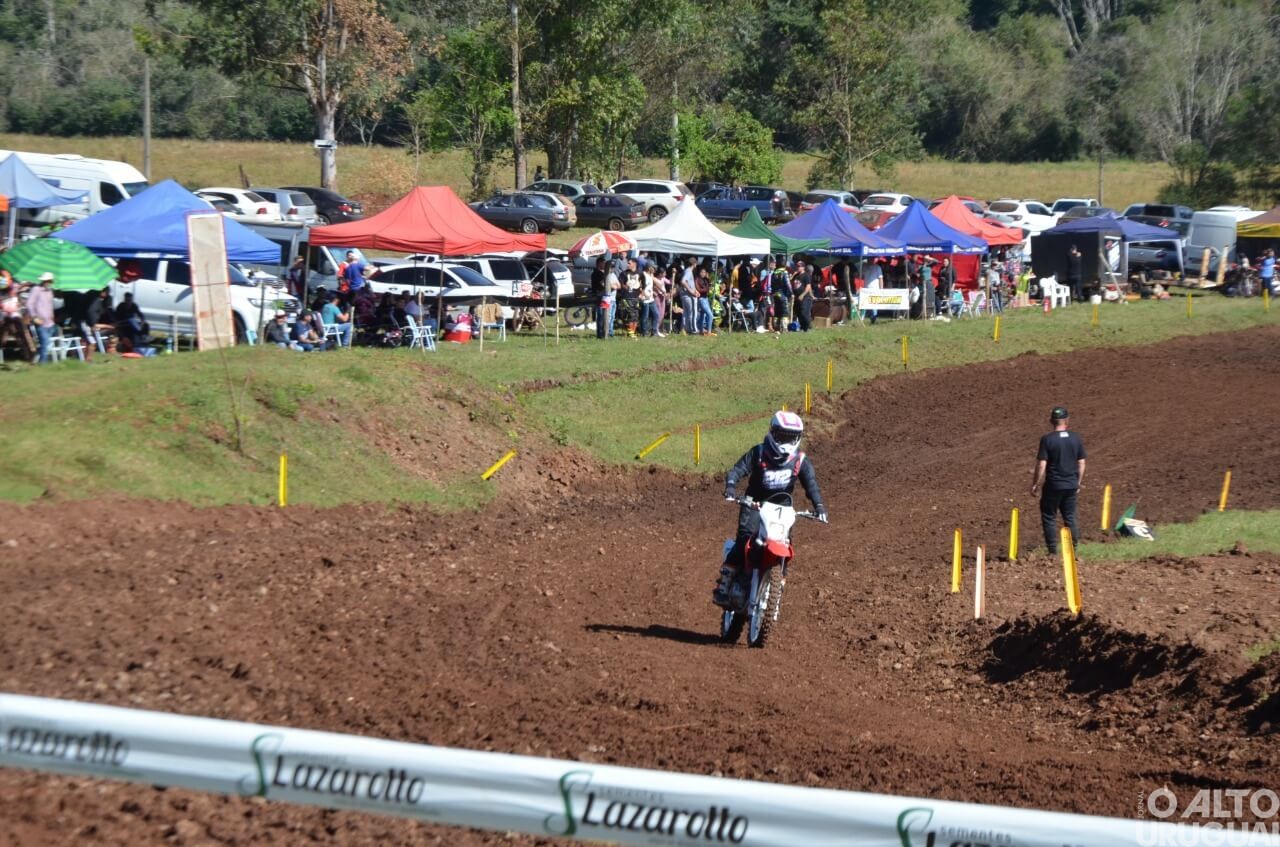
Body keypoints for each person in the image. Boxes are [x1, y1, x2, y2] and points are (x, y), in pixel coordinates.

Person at [714, 411, 828, 606]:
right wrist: (731, 487)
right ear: (773, 433)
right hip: (755, 503)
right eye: (782, 436)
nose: (786, 441)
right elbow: (737, 470)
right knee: (745, 540)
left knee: (785, 543)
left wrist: (819, 506)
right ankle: (724, 584)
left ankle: (778, 583)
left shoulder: (799, 460)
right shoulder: (759, 452)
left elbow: (811, 484)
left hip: (782, 507)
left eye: (791, 437)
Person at [1030, 406, 1087, 555]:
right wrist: (1078, 482)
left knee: (1049, 516)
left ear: (1051, 421)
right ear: (1067, 420)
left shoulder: (1047, 439)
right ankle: (1073, 550)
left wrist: (1035, 483)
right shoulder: (1076, 438)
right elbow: (1081, 462)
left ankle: (1053, 551)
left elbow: (1042, 463)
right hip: (1070, 485)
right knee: (1070, 516)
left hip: (1053, 485)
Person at [26, 273, 56, 364]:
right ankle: (43, 363)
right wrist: (34, 317)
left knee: (46, 343)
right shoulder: (36, 289)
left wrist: (52, 315)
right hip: (40, 321)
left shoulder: (50, 291)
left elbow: (50, 305)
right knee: (45, 341)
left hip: (50, 322)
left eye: (49, 281)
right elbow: (29, 304)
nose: (48, 282)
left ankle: (36, 359)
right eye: (46, 281)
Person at [618, 258, 641, 337]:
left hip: (636, 297)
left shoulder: (640, 273)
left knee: (636, 316)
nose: (627, 265)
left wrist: (642, 292)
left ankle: (633, 332)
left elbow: (643, 284)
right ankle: (630, 333)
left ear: (635, 264)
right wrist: (625, 287)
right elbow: (621, 284)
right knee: (630, 315)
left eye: (629, 263)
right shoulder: (623, 273)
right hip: (627, 297)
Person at [794, 261, 814, 331]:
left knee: (804, 312)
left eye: (799, 266)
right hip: (797, 297)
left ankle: (808, 327)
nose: (798, 267)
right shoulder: (796, 276)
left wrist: (802, 295)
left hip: (805, 297)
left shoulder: (806, 275)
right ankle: (803, 327)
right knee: (798, 312)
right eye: (797, 266)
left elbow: (808, 287)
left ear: (803, 267)